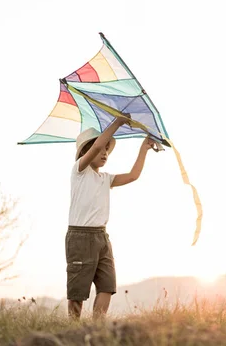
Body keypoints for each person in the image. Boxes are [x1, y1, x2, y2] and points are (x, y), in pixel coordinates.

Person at [65, 116, 157, 319]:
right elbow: (96, 146)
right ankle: (73, 329)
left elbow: (133, 176)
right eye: (102, 148)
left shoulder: (106, 179)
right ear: (85, 152)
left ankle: (96, 328)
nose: (105, 152)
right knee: (78, 290)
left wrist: (144, 148)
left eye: (108, 148)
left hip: (101, 237)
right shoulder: (79, 170)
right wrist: (117, 122)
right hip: (80, 237)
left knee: (107, 286)